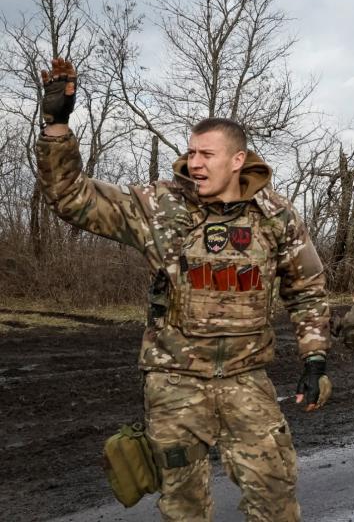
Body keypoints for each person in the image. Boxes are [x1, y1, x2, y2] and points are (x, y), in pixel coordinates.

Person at [35, 58, 331, 522]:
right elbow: (72, 198)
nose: (193, 163)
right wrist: (57, 127)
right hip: (174, 384)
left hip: (246, 380)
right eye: (190, 153)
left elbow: (307, 288)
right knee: (183, 507)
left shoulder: (276, 216)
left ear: (238, 161)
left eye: (206, 155)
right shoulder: (159, 206)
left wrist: (315, 358)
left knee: (276, 497)